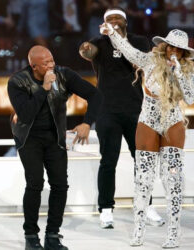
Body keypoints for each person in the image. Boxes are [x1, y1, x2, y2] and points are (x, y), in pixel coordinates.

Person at [100, 23, 194, 247]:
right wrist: (113, 33)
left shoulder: (187, 70)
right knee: (143, 178)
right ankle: (138, 231)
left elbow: (191, 99)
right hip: (148, 119)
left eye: (178, 49)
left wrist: (179, 74)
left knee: (171, 178)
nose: (173, 51)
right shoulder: (150, 60)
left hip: (172, 119)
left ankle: (174, 233)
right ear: (164, 45)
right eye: (171, 47)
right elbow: (128, 50)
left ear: (183, 52)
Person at [7, 45, 102, 250]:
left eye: (52, 60)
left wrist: (87, 123)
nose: (51, 65)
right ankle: (31, 236)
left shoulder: (64, 74)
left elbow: (95, 95)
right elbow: (25, 114)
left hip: (55, 138)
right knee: (35, 183)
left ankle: (52, 235)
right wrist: (45, 88)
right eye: (46, 63)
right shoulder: (17, 81)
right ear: (34, 66)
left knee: (60, 185)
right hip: (28, 138)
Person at [79, 7, 165, 229]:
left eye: (117, 18)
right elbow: (87, 53)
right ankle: (106, 210)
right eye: (109, 19)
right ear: (104, 22)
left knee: (142, 161)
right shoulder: (98, 42)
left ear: (125, 21)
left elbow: (138, 61)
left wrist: (116, 38)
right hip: (107, 111)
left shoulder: (139, 41)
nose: (114, 21)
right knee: (108, 161)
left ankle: (146, 206)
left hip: (136, 110)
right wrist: (86, 48)